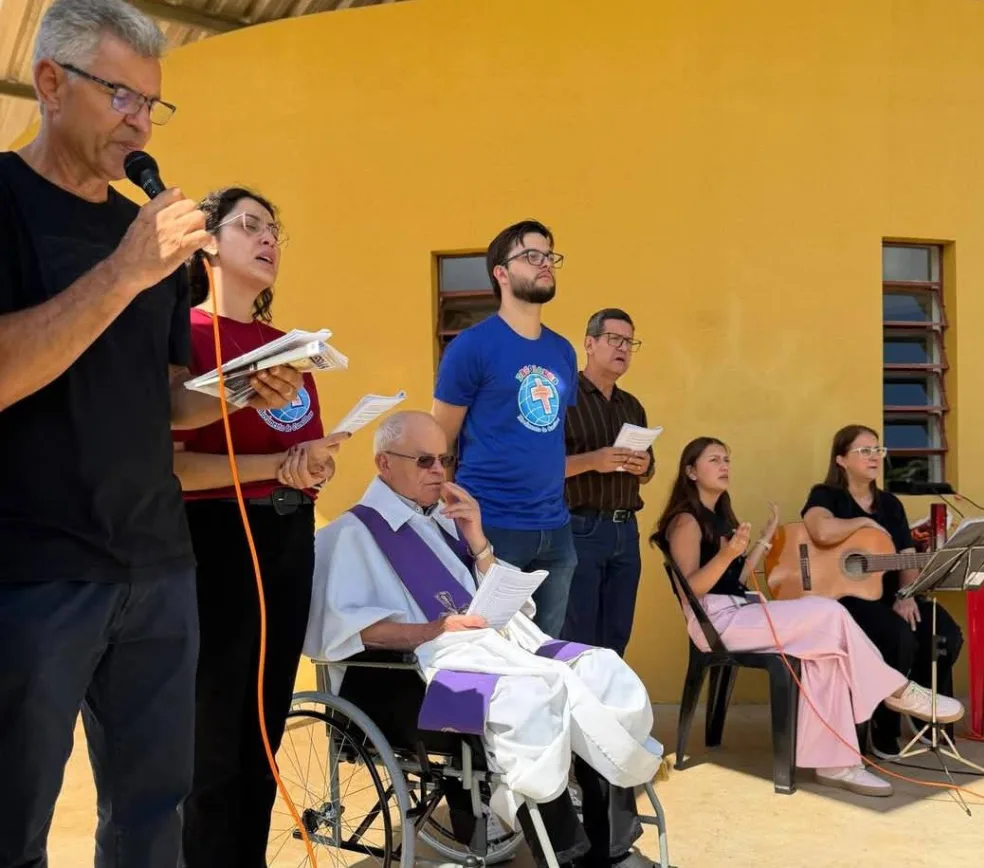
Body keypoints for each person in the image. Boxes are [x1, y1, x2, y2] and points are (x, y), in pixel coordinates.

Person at [0, 2, 303, 866]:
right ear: (50, 83)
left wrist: (238, 388)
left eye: (151, 103)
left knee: (151, 817)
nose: (139, 122)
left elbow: (166, 399)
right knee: (12, 823)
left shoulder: (153, 236)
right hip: (32, 569)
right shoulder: (10, 203)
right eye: (121, 95)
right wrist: (125, 271)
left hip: (161, 565)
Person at [305, 411, 663, 868]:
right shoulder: (348, 535)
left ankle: (612, 848)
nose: (439, 471)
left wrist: (476, 539)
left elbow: (504, 602)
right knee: (529, 698)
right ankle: (566, 855)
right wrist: (434, 629)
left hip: (490, 649)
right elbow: (346, 629)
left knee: (600, 670)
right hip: (409, 677)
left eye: (446, 460)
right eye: (425, 460)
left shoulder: (444, 522)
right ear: (384, 463)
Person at [173, 186, 348, 867]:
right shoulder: (184, 335)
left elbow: (300, 456)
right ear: (208, 243)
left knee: (264, 730)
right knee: (212, 733)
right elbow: (171, 469)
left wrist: (313, 463)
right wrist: (276, 466)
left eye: (275, 229)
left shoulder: (290, 350)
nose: (269, 238)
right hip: (215, 540)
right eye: (250, 225)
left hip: (287, 539)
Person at [652, 436, 964, 796]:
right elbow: (692, 589)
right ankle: (897, 689)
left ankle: (837, 764)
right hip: (717, 623)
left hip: (740, 611)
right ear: (691, 472)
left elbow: (735, 580)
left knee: (826, 653)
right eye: (714, 460)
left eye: (727, 459)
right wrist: (727, 554)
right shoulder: (686, 522)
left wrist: (762, 541)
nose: (724, 466)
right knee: (829, 611)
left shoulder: (720, 518)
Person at [432, 220, 578, 637]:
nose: (544, 263)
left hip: (555, 529)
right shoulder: (471, 347)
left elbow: (548, 437)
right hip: (492, 526)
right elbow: (439, 439)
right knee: (490, 649)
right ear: (501, 272)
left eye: (549, 255)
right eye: (531, 255)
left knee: (545, 652)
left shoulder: (563, 351)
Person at [800, 424, 965, 759]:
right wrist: (863, 523)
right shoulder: (826, 495)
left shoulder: (890, 504)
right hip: (846, 599)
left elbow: (907, 556)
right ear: (841, 459)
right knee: (897, 638)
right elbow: (819, 529)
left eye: (878, 450)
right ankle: (882, 726)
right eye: (865, 451)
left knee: (944, 633)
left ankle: (922, 714)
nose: (874, 457)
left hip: (892, 595)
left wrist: (906, 595)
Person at [562, 308, 654, 655]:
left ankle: (608, 693)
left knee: (617, 634)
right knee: (579, 634)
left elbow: (648, 472)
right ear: (589, 343)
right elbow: (540, 468)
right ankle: (578, 692)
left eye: (630, 342)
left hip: (625, 530)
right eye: (614, 339)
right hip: (580, 528)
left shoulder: (632, 406)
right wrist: (593, 461)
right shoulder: (562, 398)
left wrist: (644, 466)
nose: (623, 348)